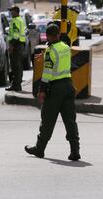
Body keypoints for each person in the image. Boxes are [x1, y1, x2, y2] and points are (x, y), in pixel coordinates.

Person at [24, 24, 80, 161]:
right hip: (68, 86)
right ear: (59, 35)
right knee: (70, 121)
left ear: (48, 36)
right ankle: (75, 151)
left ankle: (39, 148)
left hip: (56, 89)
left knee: (47, 119)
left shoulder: (51, 51)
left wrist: (41, 90)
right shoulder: (66, 47)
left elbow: (48, 73)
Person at [6, 6, 26, 91]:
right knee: (18, 66)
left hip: (16, 45)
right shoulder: (20, 20)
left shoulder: (15, 21)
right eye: (11, 11)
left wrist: (11, 46)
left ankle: (16, 86)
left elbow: (16, 35)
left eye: (12, 11)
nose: (11, 13)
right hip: (20, 45)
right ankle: (17, 84)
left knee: (15, 67)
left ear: (17, 12)